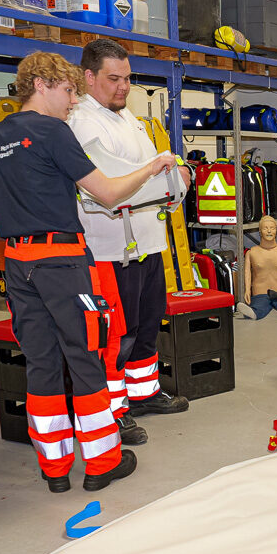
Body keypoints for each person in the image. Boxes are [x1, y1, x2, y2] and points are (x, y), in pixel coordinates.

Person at [0, 51, 176, 493]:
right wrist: (152, 167)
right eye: (69, 90)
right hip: (62, 262)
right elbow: (106, 193)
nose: (73, 100)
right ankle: (103, 462)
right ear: (41, 85)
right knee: (86, 358)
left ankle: (54, 470)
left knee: (42, 364)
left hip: (17, 263)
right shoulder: (53, 131)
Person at [68, 39, 190, 449]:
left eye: (128, 79)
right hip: (109, 250)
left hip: (146, 243)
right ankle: (112, 410)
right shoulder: (83, 123)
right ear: (89, 77)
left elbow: (152, 173)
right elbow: (110, 188)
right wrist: (158, 175)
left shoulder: (128, 118)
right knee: (116, 335)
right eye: (114, 78)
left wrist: (174, 177)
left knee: (147, 324)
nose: (123, 87)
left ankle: (143, 393)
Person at [238, 215, 277, 319]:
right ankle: (253, 313)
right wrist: (247, 290)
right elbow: (247, 273)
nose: (269, 231)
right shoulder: (251, 253)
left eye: (272, 228)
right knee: (260, 305)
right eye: (265, 228)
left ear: (276, 231)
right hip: (260, 293)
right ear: (260, 231)